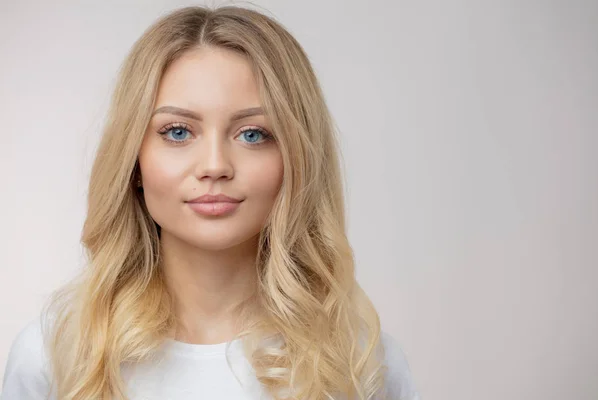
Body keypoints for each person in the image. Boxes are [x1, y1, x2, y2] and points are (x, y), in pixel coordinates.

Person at [1, 5, 419, 400]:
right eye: (178, 132)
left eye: (253, 134)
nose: (215, 166)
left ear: (298, 161)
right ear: (134, 160)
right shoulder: (54, 356)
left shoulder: (361, 364)